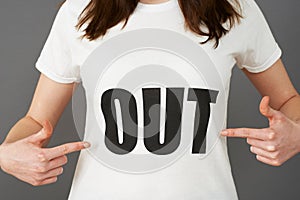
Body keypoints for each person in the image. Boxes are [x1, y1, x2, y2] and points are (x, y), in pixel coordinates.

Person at [0, 0, 299, 199]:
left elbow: (288, 100)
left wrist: (296, 133)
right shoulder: (80, 10)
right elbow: (37, 121)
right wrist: (7, 154)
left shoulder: (234, 8)